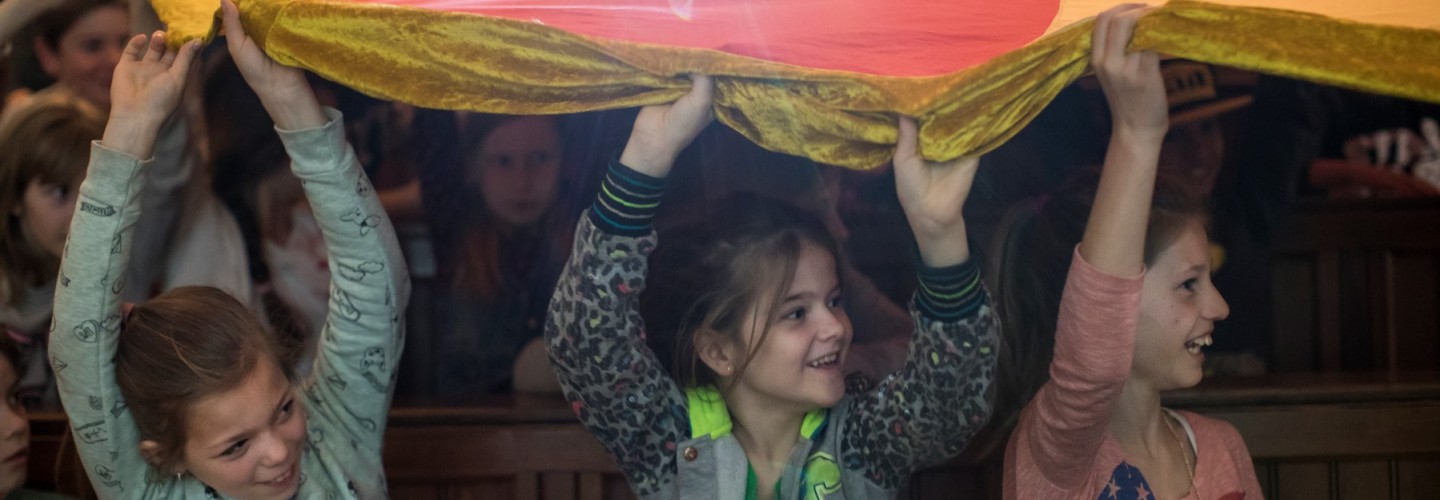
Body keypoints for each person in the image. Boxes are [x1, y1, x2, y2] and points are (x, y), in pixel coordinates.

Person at [545, 74, 998, 499]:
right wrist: (646, 158)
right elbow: (586, 340)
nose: (837, 327)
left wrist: (939, 236)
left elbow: (950, 398)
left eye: (834, 301)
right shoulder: (670, 441)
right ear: (719, 351)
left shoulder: (863, 442)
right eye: (796, 313)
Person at [49, 0, 408, 496]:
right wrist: (129, 132)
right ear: (165, 457)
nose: (279, 450)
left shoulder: (333, 435)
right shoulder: (154, 492)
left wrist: (289, 101)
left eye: (283, 409)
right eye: (236, 446)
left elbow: (376, 290)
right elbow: (78, 344)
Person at [998, 5, 1262, 499]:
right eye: (1189, 284)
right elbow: (1091, 366)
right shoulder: (1057, 453)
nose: (1219, 307)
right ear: (1109, 301)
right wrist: (1139, 134)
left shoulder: (1223, 447)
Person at [419, 112, 574, 396]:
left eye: (540, 159)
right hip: (470, 431)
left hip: (559, 430)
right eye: (503, 162)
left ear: (565, 163)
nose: (523, 181)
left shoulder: (581, 235)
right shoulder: (456, 229)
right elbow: (432, 125)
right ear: (473, 168)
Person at [0, 96, 103, 406]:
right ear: (15, 198)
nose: (79, 213)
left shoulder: (101, 281)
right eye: (60, 192)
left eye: (90, 193)